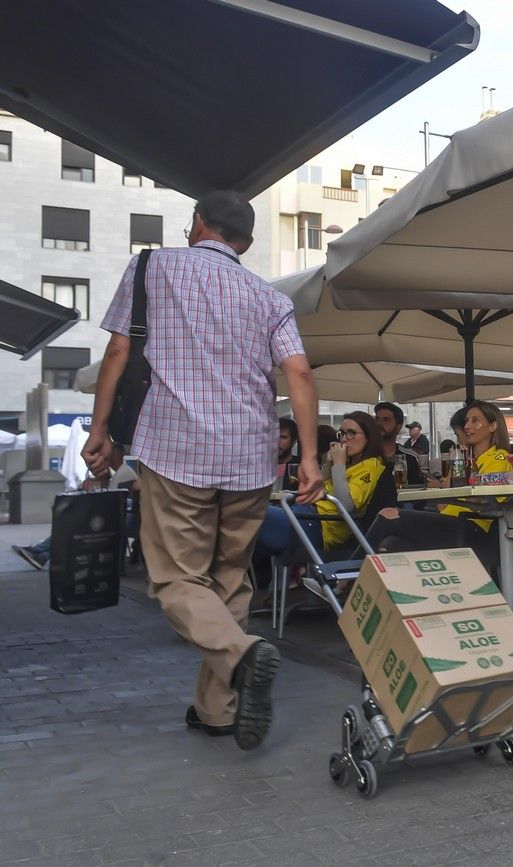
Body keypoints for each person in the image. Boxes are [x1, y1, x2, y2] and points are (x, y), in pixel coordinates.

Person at [82, 190, 321, 749]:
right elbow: (300, 374)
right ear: (248, 242)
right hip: (251, 457)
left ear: (196, 225)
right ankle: (216, 710)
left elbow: (119, 351)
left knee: (174, 579)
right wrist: (307, 457)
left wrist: (102, 431)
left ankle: (241, 656)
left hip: (176, 448)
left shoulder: (151, 266)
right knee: (229, 580)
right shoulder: (268, 296)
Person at [368, 401, 511, 567]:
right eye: (466, 420)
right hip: (448, 521)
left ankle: (345, 578)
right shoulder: (462, 460)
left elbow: (479, 498)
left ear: (493, 426)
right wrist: (460, 462)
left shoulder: (500, 457)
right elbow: (442, 504)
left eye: (475, 420)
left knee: (389, 514)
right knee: (390, 544)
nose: (467, 426)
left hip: (473, 527)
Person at [258, 412, 384, 556]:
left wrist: (338, 464)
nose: (344, 439)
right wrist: (329, 463)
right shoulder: (348, 464)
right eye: (342, 433)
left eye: (351, 433)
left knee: (248, 515)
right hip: (302, 513)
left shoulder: (371, 465)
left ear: (369, 437)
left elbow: (346, 505)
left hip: (318, 525)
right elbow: (317, 485)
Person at [14, 443, 140, 570]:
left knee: (76, 529)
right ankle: (40, 553)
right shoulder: (117, 474)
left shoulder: (125, 473)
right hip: (112, 518)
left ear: (116, 455)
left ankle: (41, 553)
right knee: (73, 527)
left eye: (109, 453)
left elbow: (121, 502)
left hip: (118, 520)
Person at [373, 402, 426, 487]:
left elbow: (417, 490)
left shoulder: (409, 457)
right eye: (377, 419)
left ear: (398, 427)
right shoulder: (366, 455)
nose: (379, 423)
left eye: (386, 420)